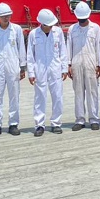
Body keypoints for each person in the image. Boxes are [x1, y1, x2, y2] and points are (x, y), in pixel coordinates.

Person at [0, 3, 26, 137]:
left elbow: (21, 49)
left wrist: (22, 67)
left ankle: (13, 124)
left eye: (8, 15)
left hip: (13, 65)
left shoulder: (16, 30)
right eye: (3, 16)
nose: (6, 18)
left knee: (14, 95)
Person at [26, 8, 69, 136]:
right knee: (40, 97)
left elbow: (63, 50)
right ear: (43, 24)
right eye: (49, 25)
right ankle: (39, 124)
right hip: (40, 68)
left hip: (55, 68)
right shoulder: (34, 34)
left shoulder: (58, 32)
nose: (51, 27)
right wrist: (31, 73)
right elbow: (30, 55)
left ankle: (56, 123)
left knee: (57, 96)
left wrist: (64, 68)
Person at [67, 1, 100, 131]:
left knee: (92, 92)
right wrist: (69, 64)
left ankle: (94, 119)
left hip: (91, 62)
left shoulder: (95, 28)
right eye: (80, 18)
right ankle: (80, 119)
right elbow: (69, 47)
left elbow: (99, 47)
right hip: (76, 61)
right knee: (78, 92)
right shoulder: (72, 29)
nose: (82, 21)